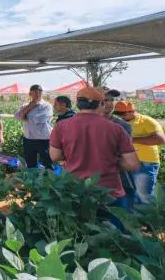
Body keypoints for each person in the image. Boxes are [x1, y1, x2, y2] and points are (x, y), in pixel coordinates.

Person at [49, 86, 140, 231]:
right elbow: (132, 164)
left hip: (76, 190)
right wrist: (112, 160)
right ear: (101, 104)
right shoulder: (116, 128)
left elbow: (55, 156)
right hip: (109, 192)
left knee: (83, 234)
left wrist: (73, 156)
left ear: (77, 103)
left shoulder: (61, 126)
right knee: (115, 235)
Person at [114, 100, 165, 204]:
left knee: (144, 196)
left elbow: (160, 139)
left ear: (132, 111)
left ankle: (149, 215)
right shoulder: (119, 123)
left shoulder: (147, 121)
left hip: (145, 163)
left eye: (122, 113)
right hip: (127, 163)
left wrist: (131, 139)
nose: (120, 116)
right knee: (129, 194)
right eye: (118, 113)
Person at [99, 87, 136, 210]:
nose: (109, 103)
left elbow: (123, 154)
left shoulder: (123, 126)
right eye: (105, 100)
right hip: (92, 179)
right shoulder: (83, 124)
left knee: (121, 214)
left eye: (111, 100)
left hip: (119, 178)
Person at [15, 84, 54, 169]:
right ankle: (33, 177)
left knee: (47, 164)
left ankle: (48, 178)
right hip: (28, 139)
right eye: (35, 92)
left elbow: (39, 119)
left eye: (40, 92)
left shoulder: (47, 106)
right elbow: (17, 116)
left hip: (43, 139)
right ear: (30, 94)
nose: (38, 94)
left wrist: (24, 116)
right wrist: (29, 107)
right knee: (30, 164)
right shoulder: (25, 105)